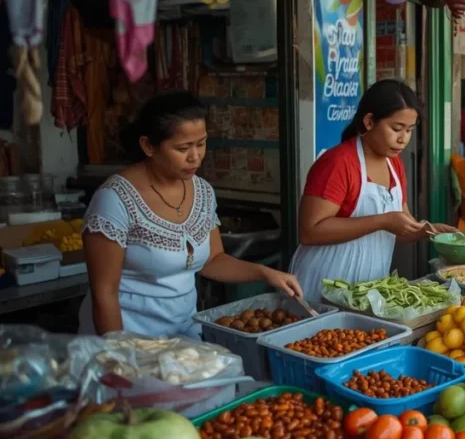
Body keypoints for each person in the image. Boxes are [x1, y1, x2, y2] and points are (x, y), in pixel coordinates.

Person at [79, 91, 303, 338]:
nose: (195, 156)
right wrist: (119, 356)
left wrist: (265, 273)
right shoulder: (115, 199)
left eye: (201, 143)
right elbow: (104, 294)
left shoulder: (203, 191)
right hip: (129, 337)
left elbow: (212, 260)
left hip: (183, 335)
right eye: (183, 148)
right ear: (148, 146)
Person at [290, 80, 456, 303]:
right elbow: (310, 232)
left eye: (409, 130)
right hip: (322, 285)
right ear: (369, 121)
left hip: (367, 291)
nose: (403, 139)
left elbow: (398, 226)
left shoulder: (394, 165)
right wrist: (382, 221)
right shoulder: (338, 163)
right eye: (396, 129)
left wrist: (429, 231)